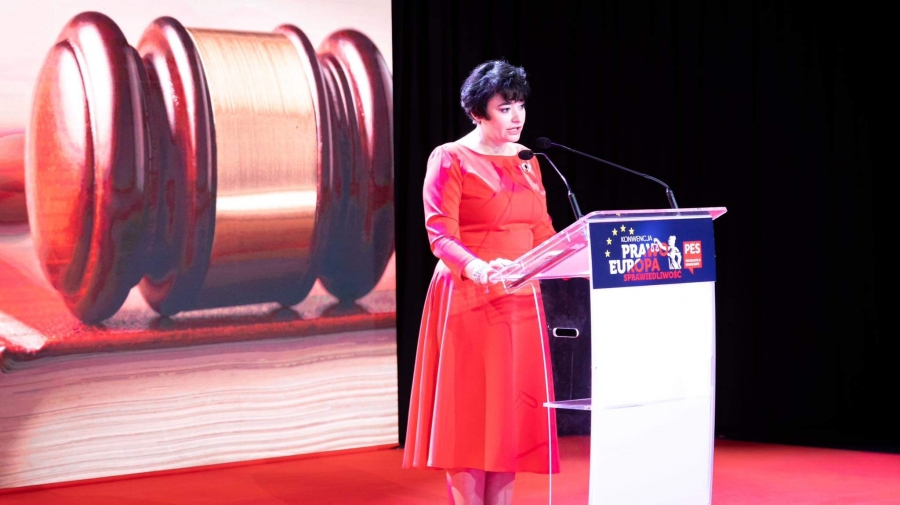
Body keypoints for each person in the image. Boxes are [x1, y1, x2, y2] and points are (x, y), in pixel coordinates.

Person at [402, 59, 559, 505]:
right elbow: (440, 235)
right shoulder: (450, 157)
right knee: (470, 417)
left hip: (521, 299)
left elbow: (543, 230)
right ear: (477, 113)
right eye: (504, 108)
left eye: (520, 105)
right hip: (469, 296)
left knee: (509, 420)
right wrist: (480, 269)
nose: (517, 116)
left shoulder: (528, 160)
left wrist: (566, 256)